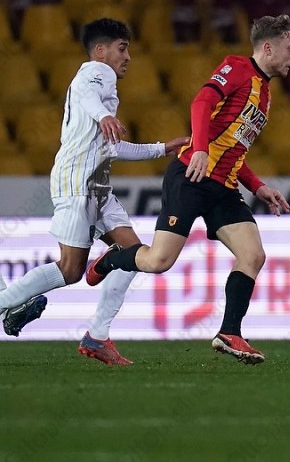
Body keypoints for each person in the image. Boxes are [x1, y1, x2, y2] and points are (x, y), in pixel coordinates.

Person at [87, 14, 290, 365]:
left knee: (253, 255)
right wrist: (199, 148)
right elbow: (201, 102)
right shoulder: (237, 68)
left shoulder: (264, 92)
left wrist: (258, 186)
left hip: (224, 187)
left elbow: (233, 147)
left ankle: (229, 333)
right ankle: (113, 258)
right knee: (158, 261)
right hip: (191, 176)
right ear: (268, 48)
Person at [0, 18, 188, 365]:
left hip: (97, 186)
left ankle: (97, 336)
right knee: (70, 270)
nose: (128, 57)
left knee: (133, 254)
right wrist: (103, 115)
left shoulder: (101, 86)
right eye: (122, 48)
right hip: (77, 182)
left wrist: (162, 148)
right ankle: (5, 306)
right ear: (100, 50)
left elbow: (112, 147)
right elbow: (88, 97)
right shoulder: (96, 73)